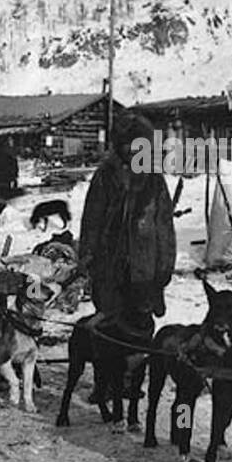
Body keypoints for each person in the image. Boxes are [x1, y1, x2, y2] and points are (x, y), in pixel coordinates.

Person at [78, 113, 176, 340]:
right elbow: (91, 222)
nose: (132, 150)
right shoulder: (105, 176)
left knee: (139, 331)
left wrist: (163, 271)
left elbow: (164, 229)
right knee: (108, 329)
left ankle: (134, 374)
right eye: (127, 144)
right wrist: (88, 258)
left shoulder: (153, 180)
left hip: (144, 270)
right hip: (109, 267)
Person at [0, 140, 19, 216]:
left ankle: (0, 210)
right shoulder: (10, 158)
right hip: (6, 179)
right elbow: (14, 168)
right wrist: (14, 178)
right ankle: (3, 210)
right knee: (4, 195)